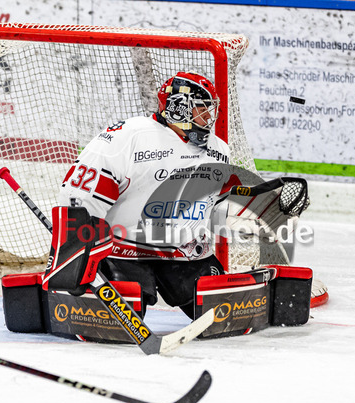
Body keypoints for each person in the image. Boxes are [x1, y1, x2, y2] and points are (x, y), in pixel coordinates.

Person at [56, 72, 233, 318]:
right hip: (123, 251)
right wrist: (79, 256)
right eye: (201, 109)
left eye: (210, 110)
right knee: (120, 320)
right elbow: (79, 196)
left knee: (222, 316)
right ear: (178, 108)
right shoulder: (129, 136)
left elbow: (219, 202)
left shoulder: (218, 150)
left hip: (185, 253)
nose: (209, 117)